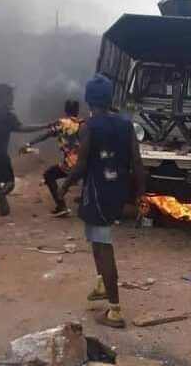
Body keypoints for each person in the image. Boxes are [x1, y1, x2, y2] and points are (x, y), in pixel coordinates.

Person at [57, 74, 145, 328]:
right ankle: (101, 284)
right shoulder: (127, 125)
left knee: (104, 246)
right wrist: (140, 194)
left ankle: (115, 311)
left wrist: (65, 185)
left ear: (88, 100)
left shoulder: (89, 128)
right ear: (110, 99)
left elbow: (82, 165)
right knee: (96, 240)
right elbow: (137, 163)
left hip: (97, 195)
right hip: (117, 192)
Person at [0, 83, 45, 216]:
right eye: (11, 95)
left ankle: (3, 206)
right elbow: (23, 128)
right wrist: (45, 126)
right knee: (10, 183)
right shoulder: (8, 116)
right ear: (5, 96)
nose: (13, 97)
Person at [20, 100, 82, 217]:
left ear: (65, 110)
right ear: (77, 111)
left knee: (49, 175)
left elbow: (46, 134)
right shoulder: (82, 123)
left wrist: (29, 143)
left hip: (72, 163)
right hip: (86, 161)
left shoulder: (62, 123)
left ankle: (61, 206)